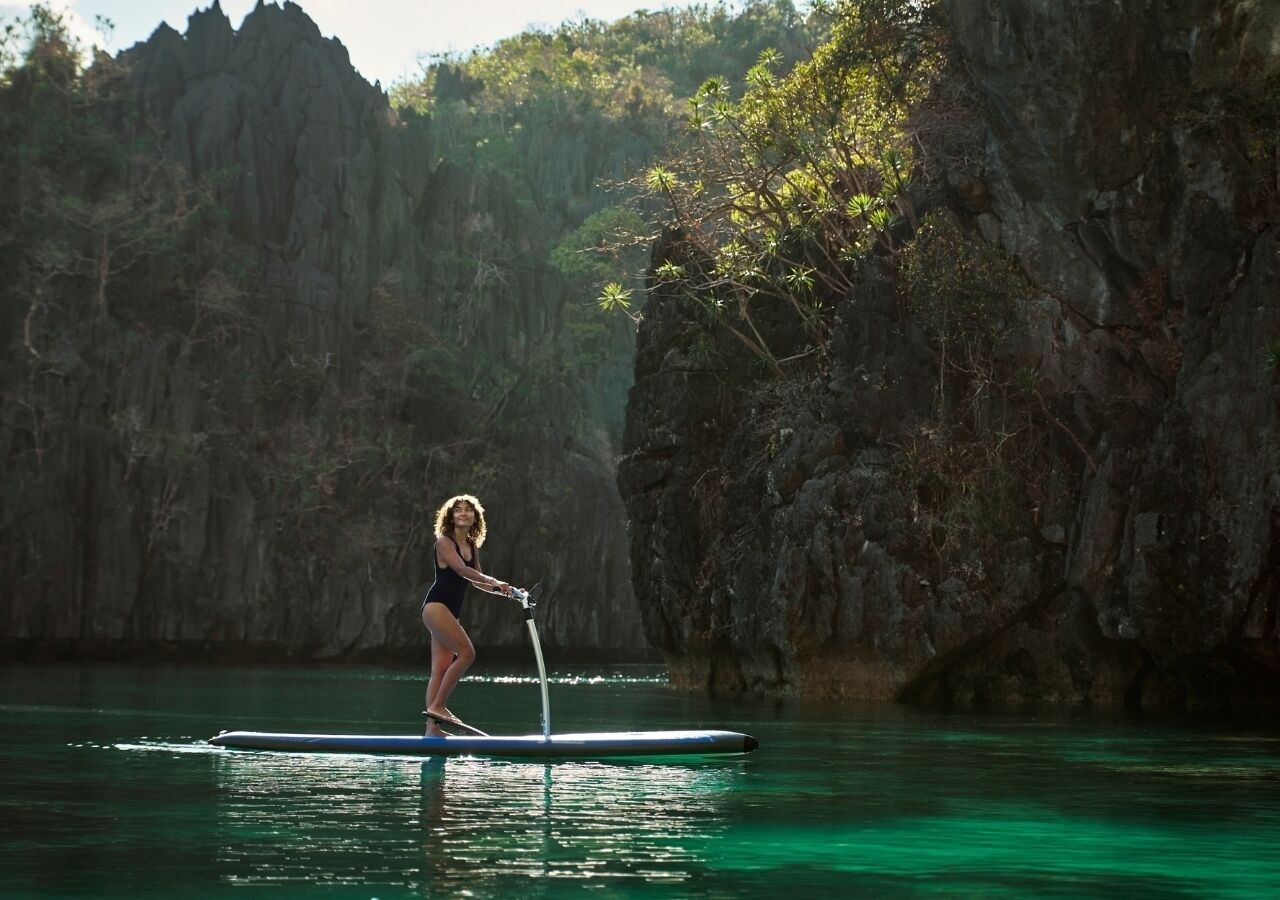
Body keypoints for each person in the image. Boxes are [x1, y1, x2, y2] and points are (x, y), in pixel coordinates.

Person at [420, 493, 511, 735]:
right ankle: (438, 706)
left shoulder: (471, 546)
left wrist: (506, 591)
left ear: (475, 517)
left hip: (451, 611)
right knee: (467, 653)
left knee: (440, 669)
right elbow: (461, 570)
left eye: (468, 510)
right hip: (436, 606)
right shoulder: (444, 542)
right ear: (450, 516)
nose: (463, 513)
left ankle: (432, 730)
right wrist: (495, 580)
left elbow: (478, 581)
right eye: (458, 509)